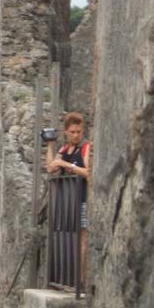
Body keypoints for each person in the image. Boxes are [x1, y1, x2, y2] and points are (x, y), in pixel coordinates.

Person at [45, 112, 90, 287]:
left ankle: (81, 282)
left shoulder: (86, 148)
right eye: (72, 132)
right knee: (67, 237)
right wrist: (50, 146)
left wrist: (68, 165)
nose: (76, 135)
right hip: (67, 201)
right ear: (66, 132)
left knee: (82, 240)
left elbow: (88, 172)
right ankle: (69, 280)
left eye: (79, 131)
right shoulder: (64, 150)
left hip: (82, 199)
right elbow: (51, 168)